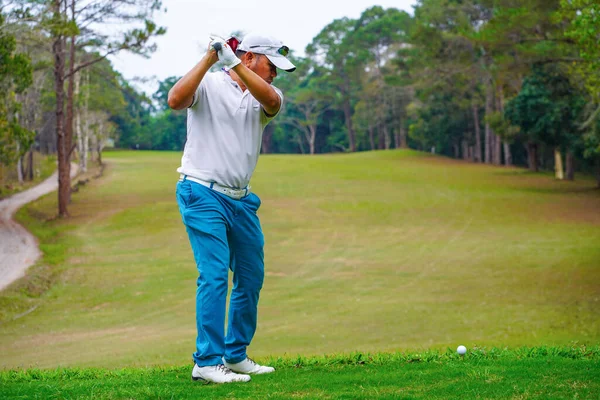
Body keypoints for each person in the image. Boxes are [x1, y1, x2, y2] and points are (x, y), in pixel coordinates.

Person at [167, 32, 296, 384]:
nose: (274, 75)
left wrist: (234, 61)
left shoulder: (266, 96)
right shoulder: (208, 85)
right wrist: (212, 58)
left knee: (251, 276)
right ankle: (206, 362)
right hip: (201, 192)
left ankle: (234, 355)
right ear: (253, 57)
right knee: (213, 274)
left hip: (241, 200)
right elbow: (176, 100)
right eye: (271, 66)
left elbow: (271, 99)